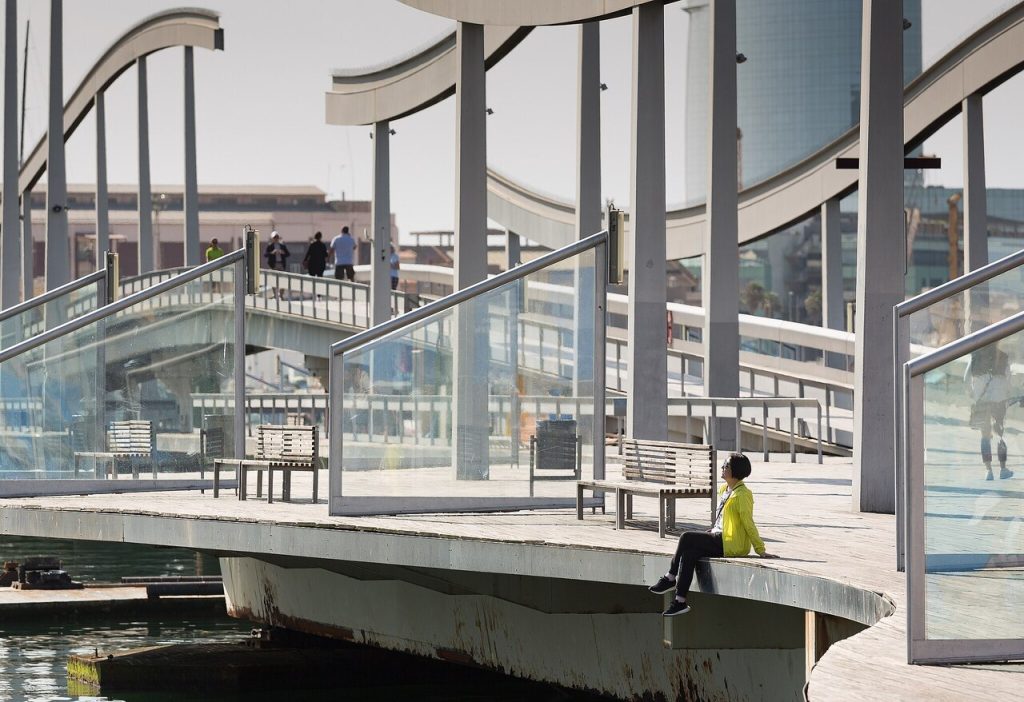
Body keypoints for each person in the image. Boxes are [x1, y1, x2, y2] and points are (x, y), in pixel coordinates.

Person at [648, 453, 777, 616]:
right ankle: (680, 601)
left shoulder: (743, 494)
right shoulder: (725, 489)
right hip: (719, 537)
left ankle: (670, 577)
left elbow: (748, 522)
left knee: (686, 537)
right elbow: (724, 519)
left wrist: (760, 549)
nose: (722, 468)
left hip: (731, 543)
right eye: (723, 465)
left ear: (735, 471)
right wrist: (714, 529)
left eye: (726, 466)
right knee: (689, 554)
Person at [967, 344, 1015, 481]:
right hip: (999, 400)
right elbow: (1008, 380)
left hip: (982, 401)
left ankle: (988, 471)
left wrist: (974, 394)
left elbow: (966, 378)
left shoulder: (975, 356)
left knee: (985, 435)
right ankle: (1003, 469)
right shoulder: (1003, 357)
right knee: (1000, 434)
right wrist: (1005, 394)